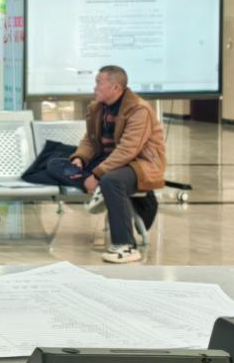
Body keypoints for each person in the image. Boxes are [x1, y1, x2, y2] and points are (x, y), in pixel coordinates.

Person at [70, 65, 167, 264]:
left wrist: (97, 174)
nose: (95, 87)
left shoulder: (139, 110)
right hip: (109, 160)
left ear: (115, 88)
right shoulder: (97, 107)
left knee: (111, 181)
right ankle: (96, 186)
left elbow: (128, 150)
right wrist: (80, 158)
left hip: (139, 164)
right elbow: (89, 140)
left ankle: (126, 246)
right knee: (57, 162)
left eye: (99, 82)